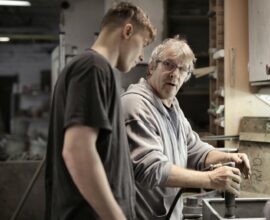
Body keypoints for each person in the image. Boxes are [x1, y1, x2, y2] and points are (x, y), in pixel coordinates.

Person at [45, 2, 156, 220]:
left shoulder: (95, 69)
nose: (142, 56)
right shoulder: (92, 68)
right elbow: (77, 151)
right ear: (127, 30)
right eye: (143, 44)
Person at [121, 36, 251, 220]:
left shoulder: (171, 104)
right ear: (152, 67)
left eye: (183, 69)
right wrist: (211, 179)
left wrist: (228, 156)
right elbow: (151, 169)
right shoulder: (135, 104)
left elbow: (193, 149)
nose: (175, 73)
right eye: (169, 64)